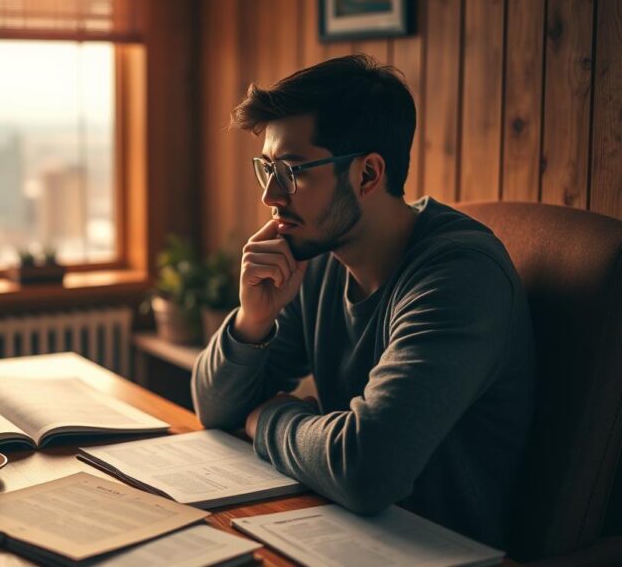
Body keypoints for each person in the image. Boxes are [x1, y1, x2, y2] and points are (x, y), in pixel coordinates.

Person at [191, 55, 534, 547]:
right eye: (265, 169)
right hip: (339, 531)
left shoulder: (460, 276)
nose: (270, 195)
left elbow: (366, 469)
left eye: (290, 171)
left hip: (436, 551)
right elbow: (214, 409)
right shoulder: (321, 257)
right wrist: (253, 319)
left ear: (369, 174)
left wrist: (267, 419)